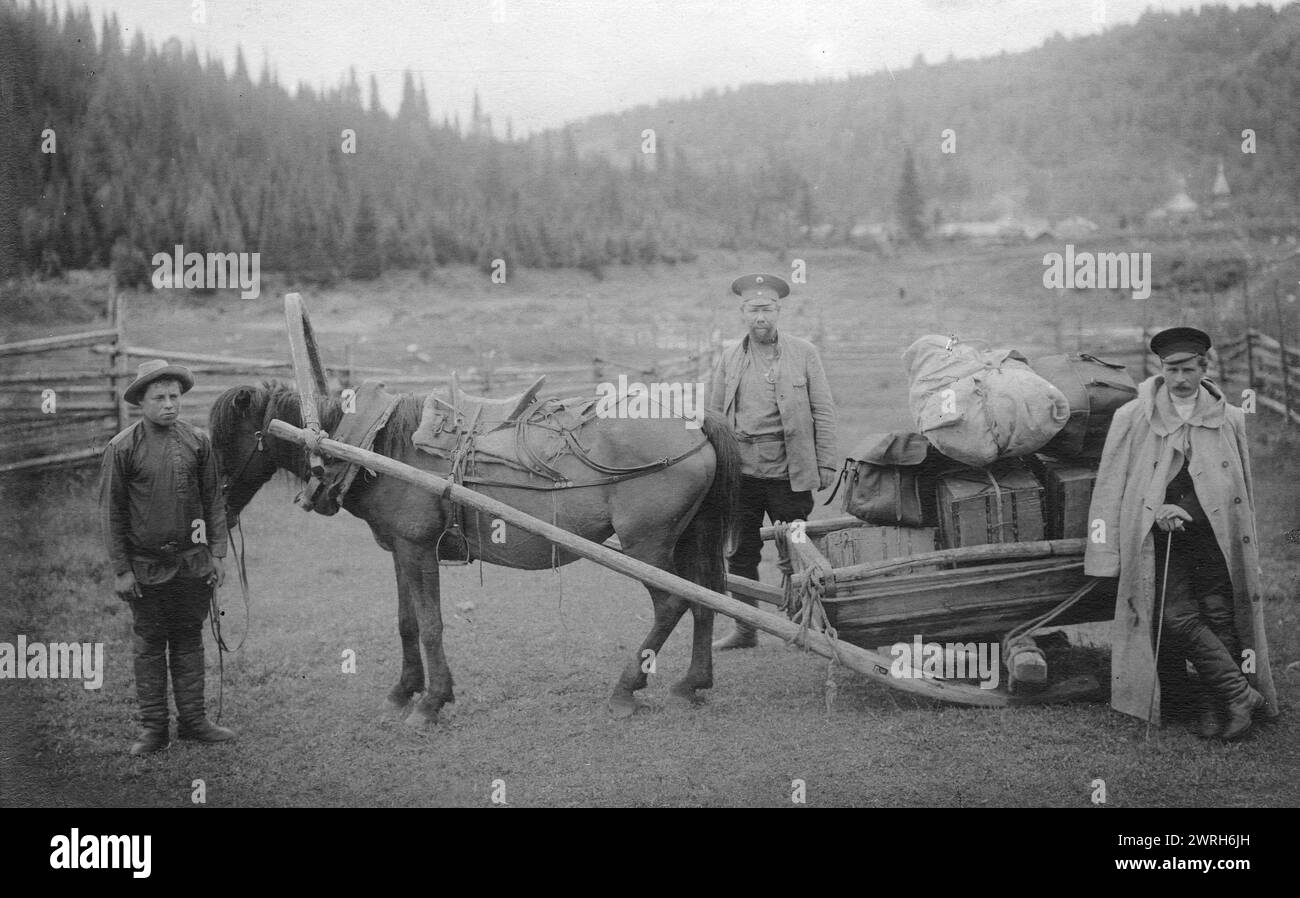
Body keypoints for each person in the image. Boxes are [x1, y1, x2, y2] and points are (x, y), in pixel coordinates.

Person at [1085, 327, 1278, 739]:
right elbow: (1111, 484)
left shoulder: (1228, 418)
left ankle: (1216, 706)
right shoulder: (1133, 416)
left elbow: (1236, 487)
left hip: (1212, 535)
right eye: (1171, 369)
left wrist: (1186, 508)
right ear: (1160, 368)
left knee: (1220, 615)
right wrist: (1114, 544)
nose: (1180, 379)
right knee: (1176, 616)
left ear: (1204, 367)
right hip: (1159, 538)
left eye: (1188, 369)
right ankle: (1238, 693)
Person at [100, 359, 235, 754]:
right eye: (158, 397)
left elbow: (213, 501)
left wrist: (219, 554)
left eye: (174, 396)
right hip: (146, 569)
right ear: (140, 402)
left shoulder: (197, 442)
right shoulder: (122, 448)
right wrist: (122, 570)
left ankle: (193, 721)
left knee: (189, 638)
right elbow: (111, 512)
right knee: (149, 643)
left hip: (193, 564)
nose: (168, 404)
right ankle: (153, 729)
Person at [707, 274, 838, 649]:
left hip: (789, 471)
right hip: (741, 473)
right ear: (742, 313)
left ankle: (802, 626)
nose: (759, 316)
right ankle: (745, 629)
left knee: (795, 550)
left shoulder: (804, 353)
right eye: (753, 309)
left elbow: (824, 410)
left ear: (778, 311)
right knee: (740, 551)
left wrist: (825, 462)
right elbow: (714, 417)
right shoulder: (729, 357)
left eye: (766, 309)